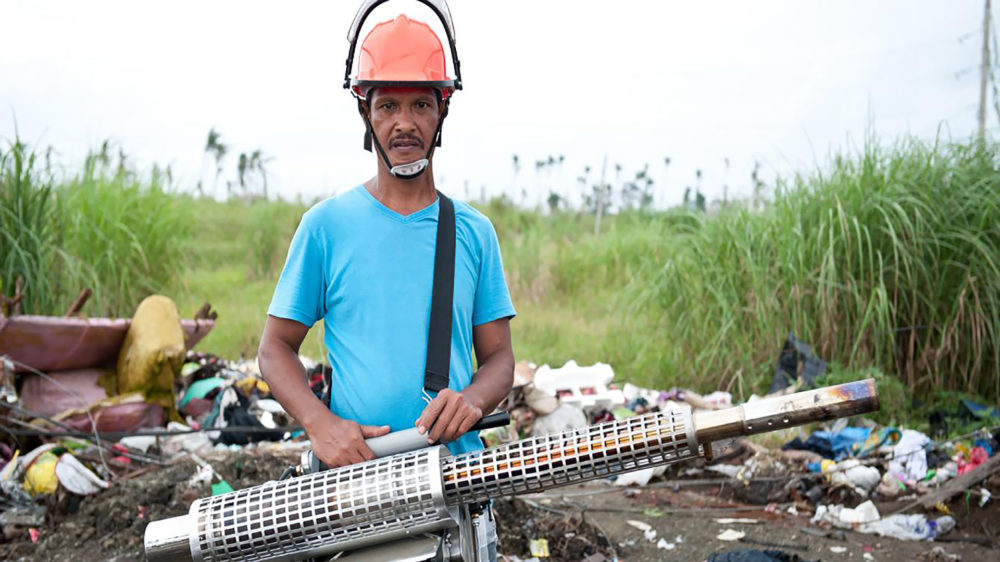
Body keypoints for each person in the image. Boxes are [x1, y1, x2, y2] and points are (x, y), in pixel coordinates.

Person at [258, 4, 515, 471]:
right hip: (355, 477)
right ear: (365, 112)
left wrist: (473, 400)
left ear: (443, 109)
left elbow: (499, 359)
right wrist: (320, 425)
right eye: (388, 106)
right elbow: (274, 349)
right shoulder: (325, 227)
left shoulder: (474, 233)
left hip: (456, 476)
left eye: (420, 104)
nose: (404, 124)